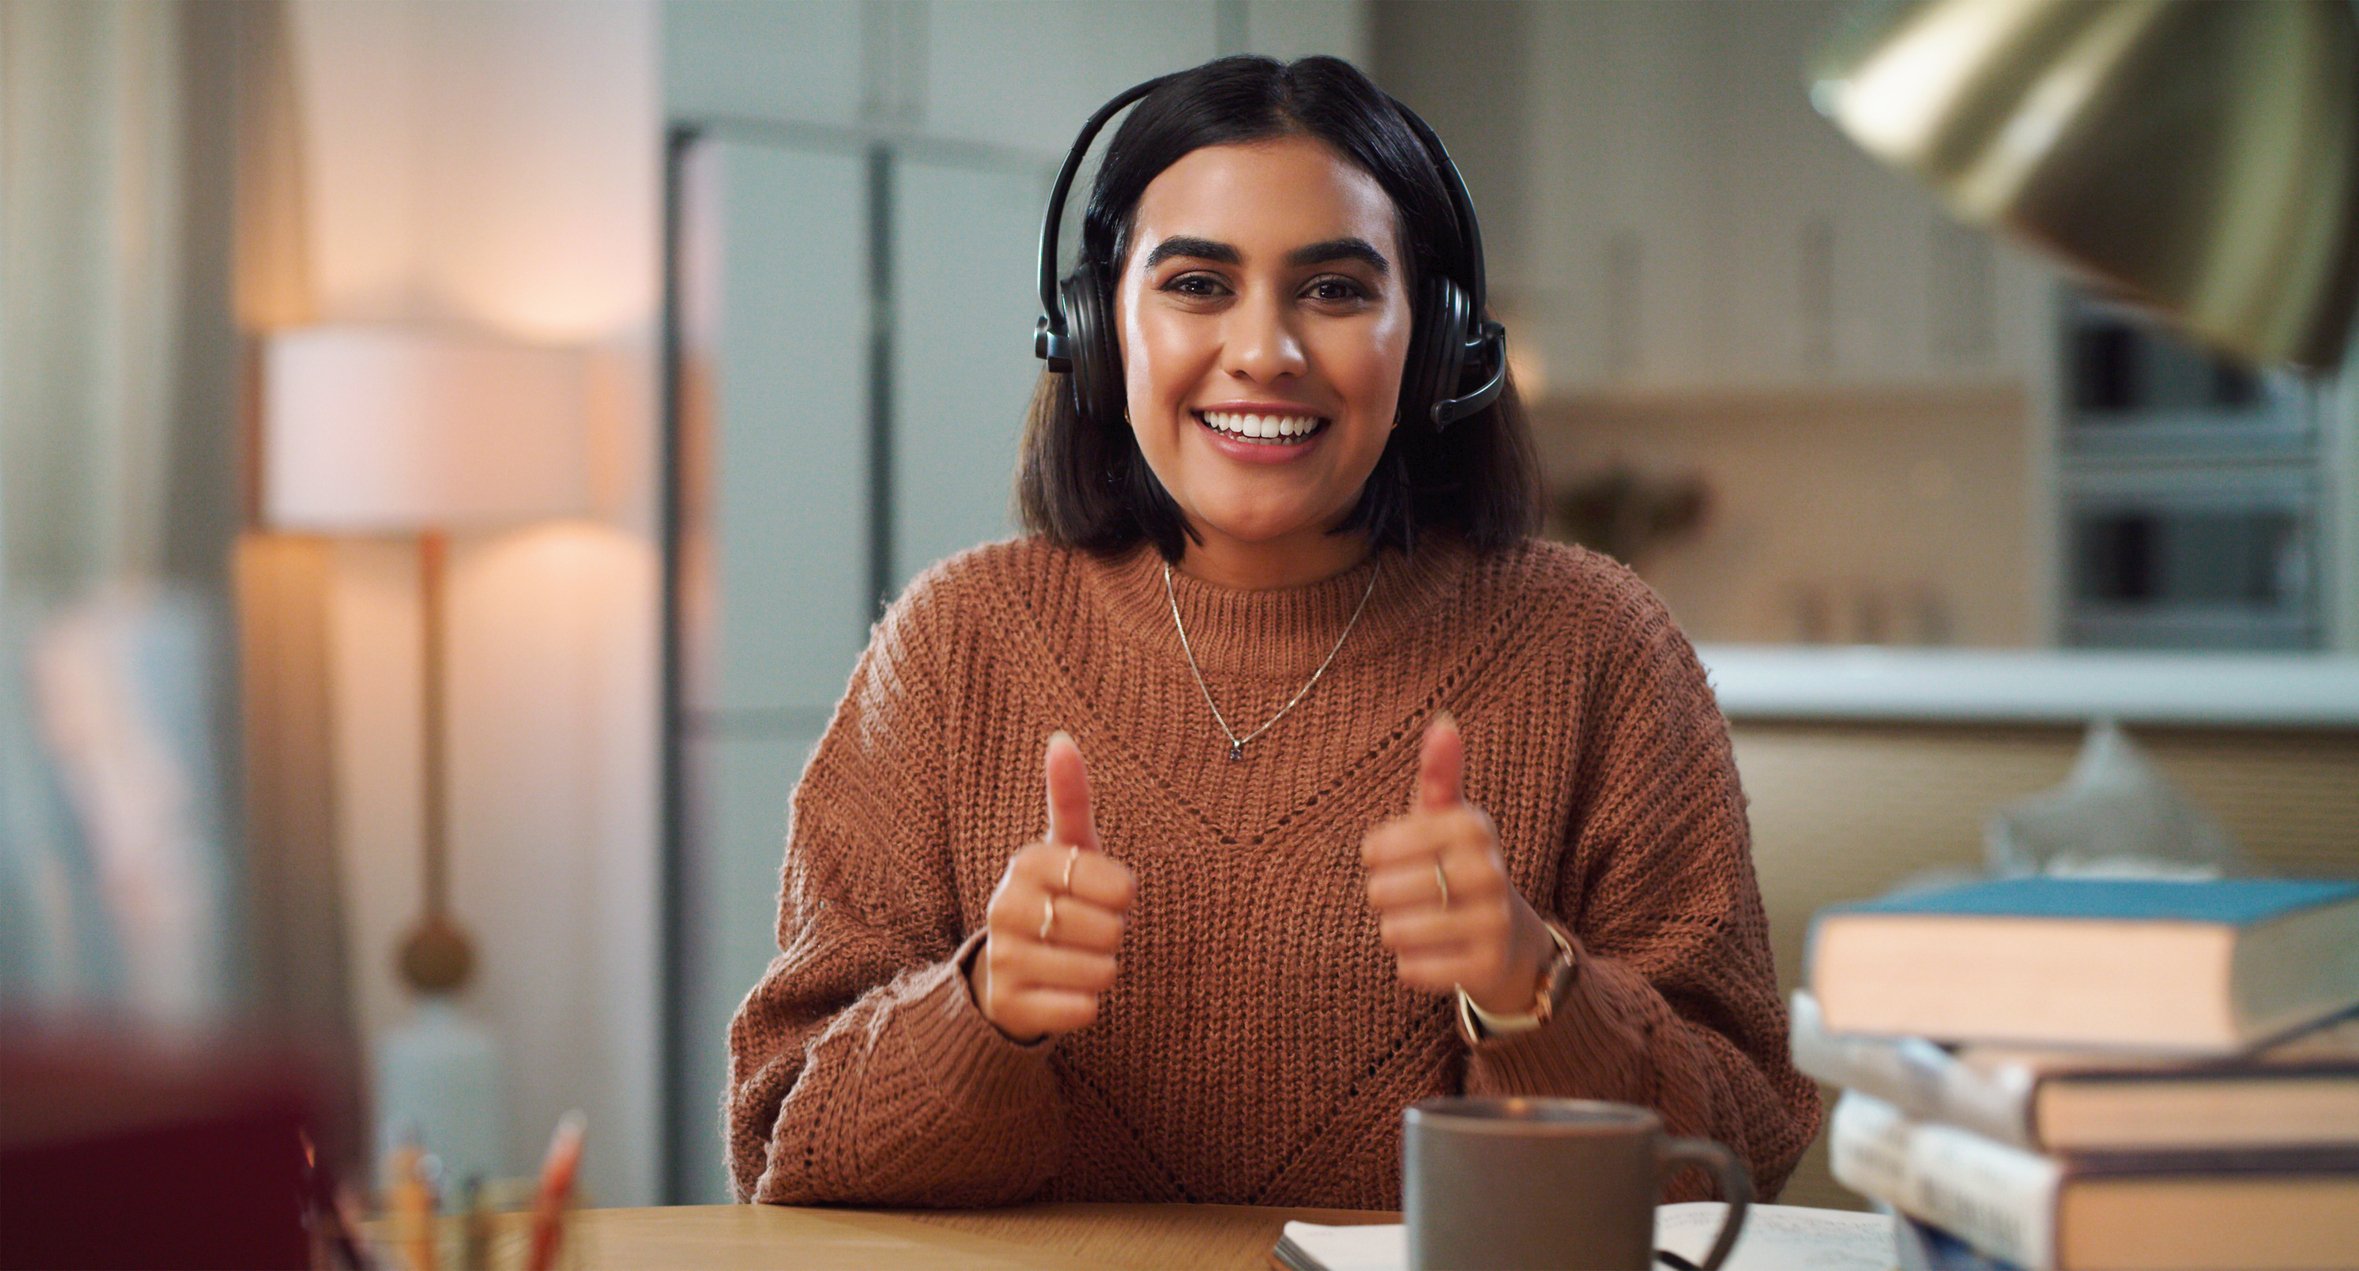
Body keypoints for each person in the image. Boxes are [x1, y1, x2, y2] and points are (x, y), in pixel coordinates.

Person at [725, 53, 1821, 1210]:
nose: (1263, 351)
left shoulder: (1595, 644)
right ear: (1096, 329)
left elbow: (1741, 1147)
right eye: (1198, 283)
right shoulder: (957, 642)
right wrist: (982, 1011)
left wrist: (1533, 991)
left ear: (1435, 342)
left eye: (1335, 290)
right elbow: (782, 1144)